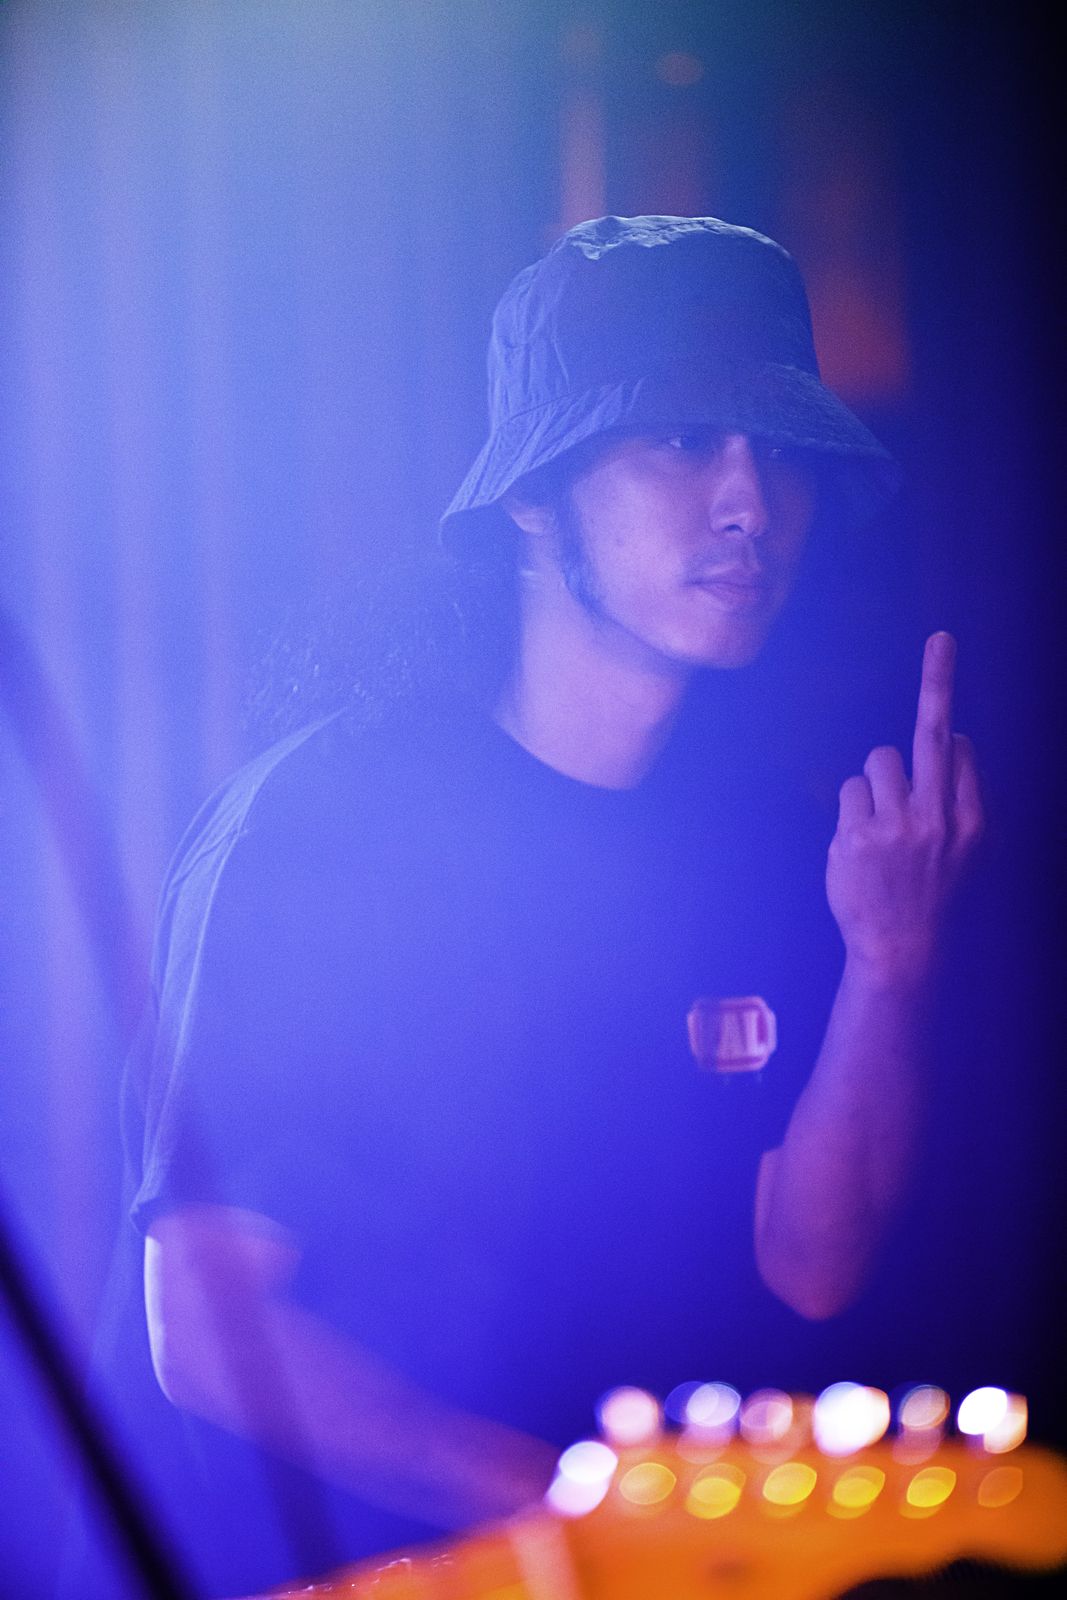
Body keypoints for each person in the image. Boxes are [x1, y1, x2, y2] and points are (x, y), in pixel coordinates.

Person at [94, 216, 983, 1598]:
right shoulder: (329, 823)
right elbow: (203, 1331)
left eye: (780, 450)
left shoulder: (751, 838)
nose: (751, 503)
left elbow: (810, 1265)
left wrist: (889, 960)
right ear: (529, 494)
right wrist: (567, 1507)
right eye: (682, 440)